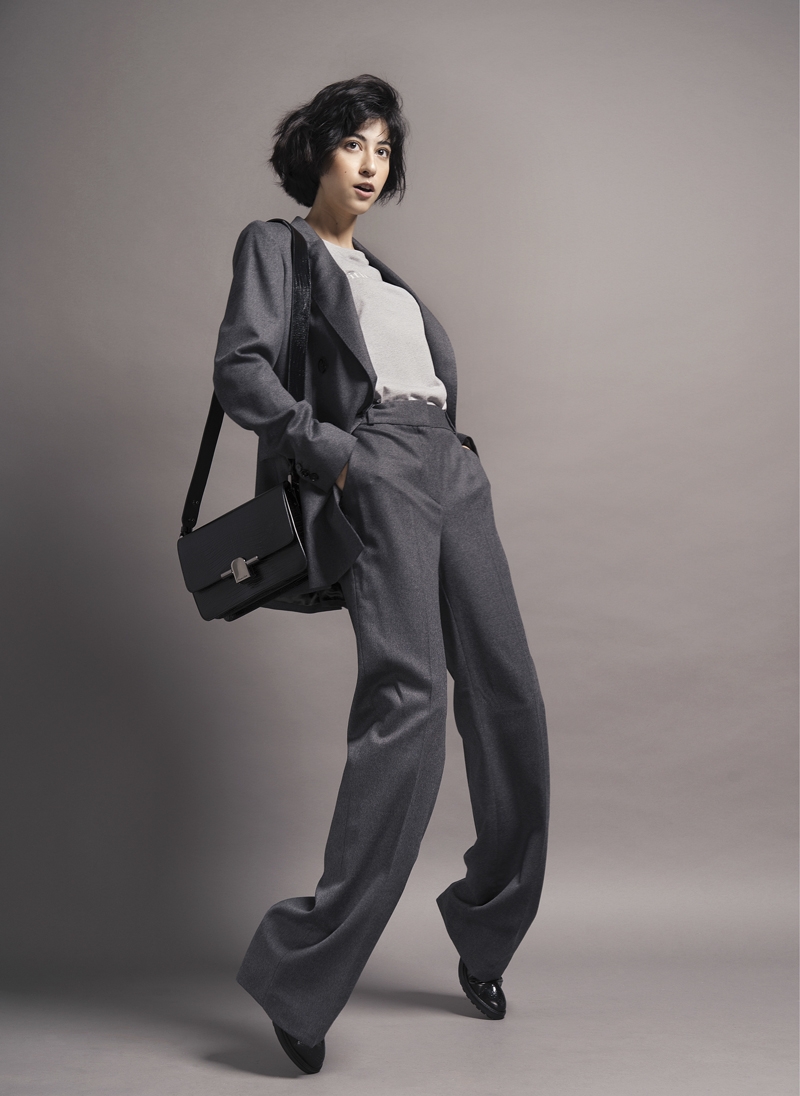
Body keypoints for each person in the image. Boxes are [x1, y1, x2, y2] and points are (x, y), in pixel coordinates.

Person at [213, 74, 549, 1074]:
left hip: (450, 466)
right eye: (353, 143)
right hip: (375, 465)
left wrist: (455, 460)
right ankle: (300, 974)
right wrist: (335, 455)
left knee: (509, 703)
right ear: (315, 152)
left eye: (383, 149)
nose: (370, 164)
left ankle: (487, 924)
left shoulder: (387, 277)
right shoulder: (277, 247)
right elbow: (240, 367)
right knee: (409, 708)